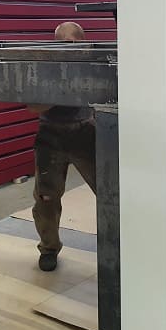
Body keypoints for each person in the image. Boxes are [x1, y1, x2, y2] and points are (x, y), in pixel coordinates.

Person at [29, 22, 96, 272]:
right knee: (46, 198)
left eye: (72, 43)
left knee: (111, 193)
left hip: (85, 132)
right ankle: (49, 248)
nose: (67, 48)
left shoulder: (93, 65)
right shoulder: (46, 68)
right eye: (61, 43)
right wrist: (60, 90)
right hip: (51, 135)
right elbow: (33, 106)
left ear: (83, 43)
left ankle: (121, 245)